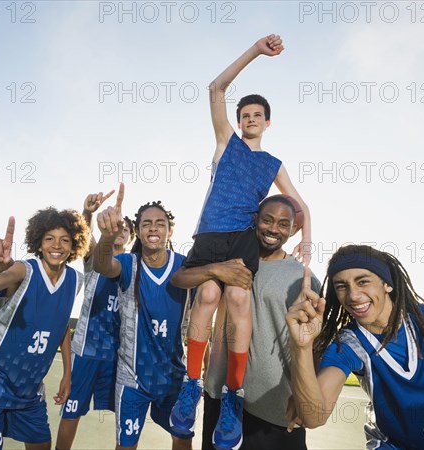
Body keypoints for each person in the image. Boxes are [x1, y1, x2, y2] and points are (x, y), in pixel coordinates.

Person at [170, 33, 312, 450]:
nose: (249, 119)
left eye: (256, 115)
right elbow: (215, 88)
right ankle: (190, 382)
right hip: (210, 237)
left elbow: (300, 207)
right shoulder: (225, 143)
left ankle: (235, 392)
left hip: (243, 241)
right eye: (244, 114)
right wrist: (255, 51)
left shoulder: (273, 163)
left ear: (268, 122)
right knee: (209, 293)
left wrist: (304, 242)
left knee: (236, 300)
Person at [285, 244, 424, 449]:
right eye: (342, 286)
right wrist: (301, 347)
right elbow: (314, 417)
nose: (353, 295)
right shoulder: (348, 345)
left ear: (388, 284)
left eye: (363, 282)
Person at [171, 195, 318, 449]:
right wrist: (213, 270)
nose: (274, 229)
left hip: (275, 407)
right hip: (221, 398)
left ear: (293, 230)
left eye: (283, 224)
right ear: (255, 221)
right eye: (267, 220)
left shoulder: (302, 277)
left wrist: (304, 394)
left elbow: (315, 344)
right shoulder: (224, 260)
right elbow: (181, 278)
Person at [0, 208, 90, 450]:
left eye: (65, 239)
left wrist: (68, 373)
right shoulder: (25, 269)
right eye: (49, 238)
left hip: (29, 387)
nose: (57, 245)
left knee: (42, 444)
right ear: (39, 243)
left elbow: (61, 323)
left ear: (74, 244)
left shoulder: (76, 280)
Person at [93, 183, 193, 450]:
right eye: (146, 223)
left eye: (160, 223)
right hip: (133, 377)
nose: (153, 228)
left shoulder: (185, 265)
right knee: (125, 445)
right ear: (136, 230)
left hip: (173, 376)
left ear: (170, 231)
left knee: (183, 440)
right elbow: (101, 265)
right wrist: (105, 236)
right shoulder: (129, 263)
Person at [55, 191, 135, 450]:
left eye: (125, 229)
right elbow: (86, 240)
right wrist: (87, 213)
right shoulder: (94, 261)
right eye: (117, 226)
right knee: (72, 412)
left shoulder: (135, 268)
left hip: (119, 356)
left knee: (124, 418)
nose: (120, 231)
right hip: (86, 353)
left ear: (131, 237)